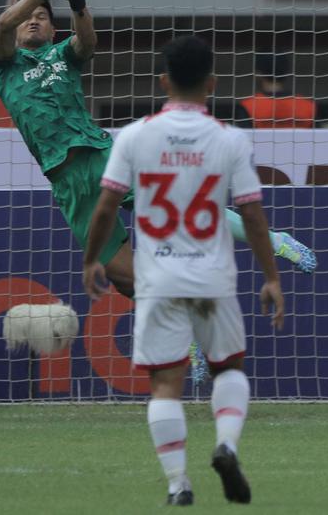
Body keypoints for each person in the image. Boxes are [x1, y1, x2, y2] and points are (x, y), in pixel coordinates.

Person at [0, 0, 317, 297]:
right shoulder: (6, 64)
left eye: (41, 16)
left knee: (185, 208)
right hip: (65, 179)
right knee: (122, 277)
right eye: (28, 16)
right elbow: (4, 25)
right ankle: (182, 332)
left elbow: (87, 41)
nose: (33, 20)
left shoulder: (61, 55)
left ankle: (275, 241)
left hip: (102, 156)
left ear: (54, 29)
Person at [82, 35, 285, 505]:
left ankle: (178, 484)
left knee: (165, 384)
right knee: (229, 368)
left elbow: (107, 205)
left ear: (163, 80)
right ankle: (226, 445)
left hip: (158, 279)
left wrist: (93, 257)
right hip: (212, 278)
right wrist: (271, 276)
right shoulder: (230, 138)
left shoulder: (134, 136)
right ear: (212, 83)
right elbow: (252, 214)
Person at [240, 52, 317, 129]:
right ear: (286, 72)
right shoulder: (308, 105)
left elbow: (244, 139)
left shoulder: (248, 105)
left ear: (258, 73)